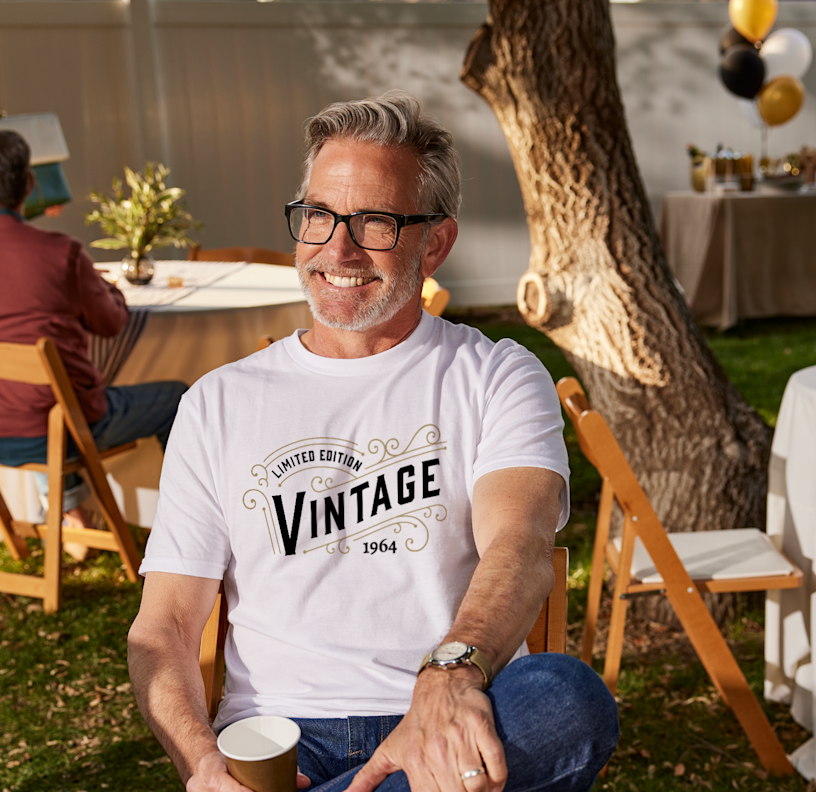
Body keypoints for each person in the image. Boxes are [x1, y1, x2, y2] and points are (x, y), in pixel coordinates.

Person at [128, 91, 619, 792]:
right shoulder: (219, 402)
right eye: (320, 215)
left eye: (376, 223)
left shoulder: (495, 374)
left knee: (566, 699)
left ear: (437, 242)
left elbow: (521, 546)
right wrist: (203, 766)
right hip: (278, 739)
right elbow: (163, 629)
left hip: (444, 709)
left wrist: (449, 677)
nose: (338, 249)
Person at [0, 130, 187, 559]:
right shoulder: (58, 253)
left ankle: (70, 514)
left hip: (9, 425)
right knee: (177, 398)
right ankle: (192, 529)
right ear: (29, 185)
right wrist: (109, 291)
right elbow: (111, 323)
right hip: (53, 428)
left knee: (46, 397)